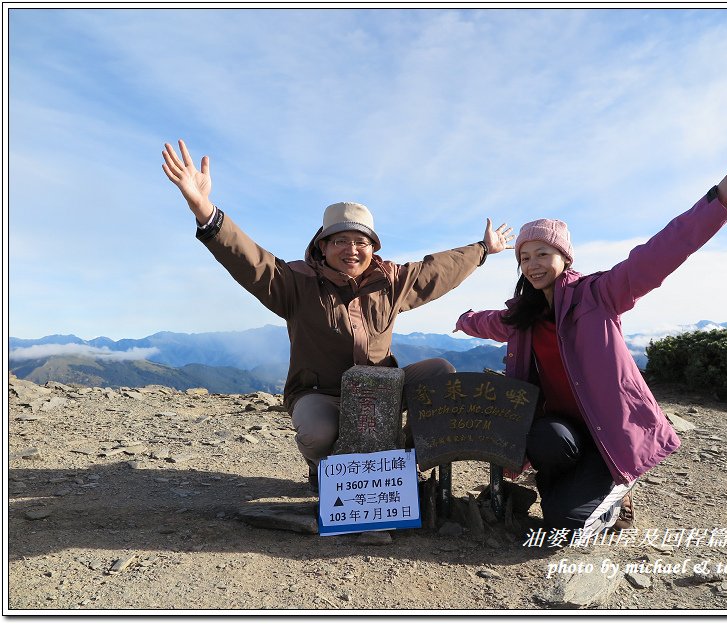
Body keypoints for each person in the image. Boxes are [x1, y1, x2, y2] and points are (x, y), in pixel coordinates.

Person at [454, 156, 727, 538]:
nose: (533, 264)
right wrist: (463, 319)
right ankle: (568, 489)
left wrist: (717, 202)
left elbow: (660, 253)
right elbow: (487, 322)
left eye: (543, 253)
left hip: (607, 431)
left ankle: (615, 486)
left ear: (564, 257)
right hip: (563, 433)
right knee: (543, 440)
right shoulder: (523, 316)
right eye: (525, 258)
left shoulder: (599, 295)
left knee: (567, 527)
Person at [162, 139, 515, 491]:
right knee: (318, 435)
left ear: (372, 248)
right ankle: (325, 469)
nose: (352, 249)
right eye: (340, 241)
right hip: (322, 393)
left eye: (361, 242)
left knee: (441, 372)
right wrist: (206, 212)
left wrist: (483, 249)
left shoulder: (391, 281)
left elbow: (438, 269)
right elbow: (251, 260)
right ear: (323, 247)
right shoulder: (295, 282)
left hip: (382, 389)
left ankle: (398, 458)